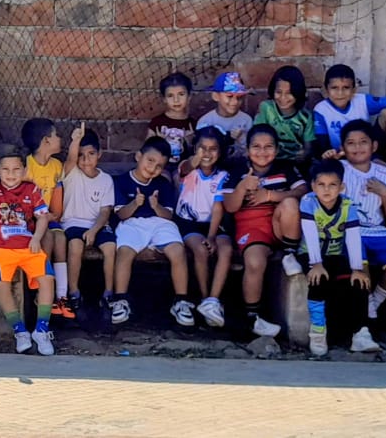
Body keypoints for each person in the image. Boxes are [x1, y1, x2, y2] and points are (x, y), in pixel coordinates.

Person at [0, 123, 56, 356]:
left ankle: (41, 329)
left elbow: (42, 217)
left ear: (24, 169)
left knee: (47, 279)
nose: (11, 174)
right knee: (0, 284)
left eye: (16, 169)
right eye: (5, 169)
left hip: (29, 245)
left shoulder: (31, 190)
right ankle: (20, 331)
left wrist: (37, 237)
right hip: (3, 249)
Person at [223, 124, 307, 338]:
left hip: (281, 225)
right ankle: (253, 317)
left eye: (268, 146)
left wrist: (270, 196)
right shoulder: (237, 170)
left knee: (290, 204)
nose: (262, 152)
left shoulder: (285, 168)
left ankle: (289, 254)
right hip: (252, 228)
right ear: (247, 149)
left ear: (277, 149)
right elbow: (229, 206)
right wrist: (242, 186)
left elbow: (303, 191)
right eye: (256, 147)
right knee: (254, 262)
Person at [299, 159, 381, 356]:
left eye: (332, 184)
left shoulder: (348, 205)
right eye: (321, 184)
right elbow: (310, 234)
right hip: (310, 255)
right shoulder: (308, 202)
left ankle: (360, 333)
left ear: (341, 187)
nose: (326, 190)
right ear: (313, 186)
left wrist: (356, 268)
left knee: (359, 281)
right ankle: (318, 331)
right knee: (318, 279)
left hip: (336, 254)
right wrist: (316, 264)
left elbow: (353, 236)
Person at [108, 137, 192, 326]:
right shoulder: (122, 181)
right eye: (150, 160)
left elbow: (168, 216)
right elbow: (121, 214)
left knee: (177, 250)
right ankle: (120, 299)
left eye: (159, 166)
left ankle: (181, 301)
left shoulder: (163, 184)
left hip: (160, 223)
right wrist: (134, 204)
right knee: (124, 252)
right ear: (139, 156)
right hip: (131, 223)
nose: (153, 168)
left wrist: (156, 206)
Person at [336, 120, 386, 320]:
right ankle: (366, 308)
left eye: (363, 142)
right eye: (351, 143)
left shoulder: (385, 174)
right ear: (343, 147)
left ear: (374, 146)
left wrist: (385, 194)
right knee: (360, 262)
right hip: (349, 230)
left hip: (378, 230)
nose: (357, 147)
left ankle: (373, 303)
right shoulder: (338, 170)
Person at [177, 128, 235, 327]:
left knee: (225, 249)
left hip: (214, 224)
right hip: (188, 222)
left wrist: (211, 236)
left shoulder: (223, 176)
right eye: (202, 148)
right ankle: (203, 297)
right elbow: (186, 167)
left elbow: (218, 207)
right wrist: (196, 156)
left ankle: (213, 300)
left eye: (213, 149)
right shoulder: (187, 169)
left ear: (220, 151)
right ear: (195, 149)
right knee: (200, 250)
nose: (207, 153)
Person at [59, 123, 115, 324]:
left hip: (96, 224)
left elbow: (105, 211)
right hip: (73, 222)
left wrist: (94, 230)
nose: (85, 160)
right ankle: (74, 293)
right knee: (75, 246)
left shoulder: (106, 180)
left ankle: (108, 294)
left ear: (99, 154)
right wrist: (75, 140)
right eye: (81, 155)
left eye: (91, 154)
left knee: (110, 247)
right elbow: (71, 159)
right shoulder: (71, 173)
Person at [20, 118, 71, 318]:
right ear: (46, 141)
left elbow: (56, 206)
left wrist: (52, 215)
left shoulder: (56, 165)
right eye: (56, 135)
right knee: (47, 238)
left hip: (48, 217)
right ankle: (42, 291)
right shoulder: (27, 166)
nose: (60, 138)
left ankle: (61, 295)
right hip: (30, 220)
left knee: (60, 238)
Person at [313, 64, 386, 157]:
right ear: (326, 90)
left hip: (367, 152)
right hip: (339, 155)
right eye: (334, 88)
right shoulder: (321, 110)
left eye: (346, 88)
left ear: (354, 90)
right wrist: (331, 154)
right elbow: (322, 143)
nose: (340, 93)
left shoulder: (362, 101)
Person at [253, 66, 314, 164]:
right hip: (269, 159)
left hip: (295, 161)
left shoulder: (305, 116)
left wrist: (304, 154)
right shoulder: (266, 108)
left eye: (289, 93)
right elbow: (257, 134)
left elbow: (308, 147)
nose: (283, 97)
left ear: (298, 92)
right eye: (278, 92)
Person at [198, 72, 254, 162]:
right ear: (216, 96)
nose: (235, 102)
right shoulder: (206, 121)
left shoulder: (246, 120)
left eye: (239, 97)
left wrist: (241, 139)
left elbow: (250, 152)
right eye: (229, 96)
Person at [151, 72, 197, 176]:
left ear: (189, 96)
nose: (176, 100)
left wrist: (190, 141)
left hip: (183, 167)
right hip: (161, 166)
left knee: (179, 178)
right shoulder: (157, 122)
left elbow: (196, 153)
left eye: (181, 94)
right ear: (164, 99)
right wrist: (158, 142)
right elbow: (147, 150)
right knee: (163, 178)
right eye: (170, 96)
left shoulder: (193, 124)